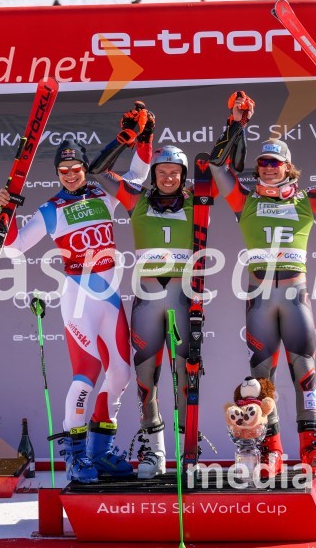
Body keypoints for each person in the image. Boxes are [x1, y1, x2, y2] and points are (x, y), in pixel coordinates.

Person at [207, 93, 316, 476]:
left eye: (274, 163)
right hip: (259, 298)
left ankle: (312, 444)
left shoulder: (307, 201)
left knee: (304, 370)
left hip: (294, 296)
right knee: (260, 380)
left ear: (289, 167)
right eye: (262, 163)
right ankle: (271, 448)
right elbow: (216, 166)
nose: (267, 168)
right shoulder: (245, 200)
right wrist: (236, 124)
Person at [0, 130, 151, 483]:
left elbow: (139, 177)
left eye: (75, 167)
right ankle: (76, 457)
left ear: (85, 167)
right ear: (57, 173)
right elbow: (14, 247)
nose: (70, 174)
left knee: (121, 375)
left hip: (111, 297)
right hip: (79, 297)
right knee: (86, 375)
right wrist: (6, 209)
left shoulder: (104, 195)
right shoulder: (51, 209)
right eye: (63, 169)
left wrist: (146, 138)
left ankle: (101, 451)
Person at [89, 107, 204, 479]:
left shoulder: (197, 203)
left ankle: (189, 453)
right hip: (147, 300)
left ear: (183, 176)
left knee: (187, 378)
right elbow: (96, 172)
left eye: (175, 172)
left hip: (185, 299)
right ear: (153, 174)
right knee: (146, 380)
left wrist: (238, 127)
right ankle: (155, 453)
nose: (169, 178)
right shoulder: (136, 200)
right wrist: (130, 140)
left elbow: (227, 169)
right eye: (162, 171)